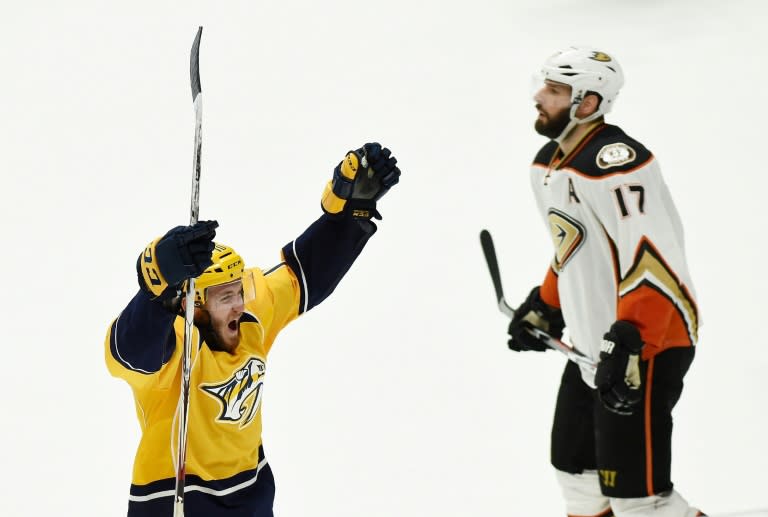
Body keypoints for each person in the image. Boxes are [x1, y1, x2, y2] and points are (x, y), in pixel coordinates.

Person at [105, 143, 400, 516]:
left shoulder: (249, 314)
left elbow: (302, 276)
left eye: (240, 291)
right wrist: (156, 284)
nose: (240, 304)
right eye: (227, 297)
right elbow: (126, 354)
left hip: (250, 494)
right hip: (173, 500)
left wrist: (346, 216)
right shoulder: (174, 344)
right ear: (193, 304)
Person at [506, 47, 704, 517]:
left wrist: (632, 339)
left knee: (641, 502)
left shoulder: (618, 164)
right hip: (598, 349)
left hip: (647, 348)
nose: (539, 97)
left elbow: (654, 260)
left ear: (588, 103)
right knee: (577, 477)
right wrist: (546, 305)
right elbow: (571, 250)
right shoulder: (548, 164)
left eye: (554, 91)